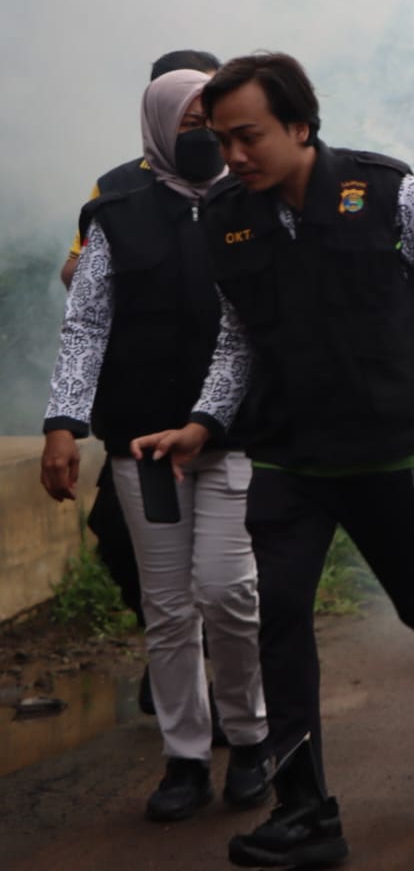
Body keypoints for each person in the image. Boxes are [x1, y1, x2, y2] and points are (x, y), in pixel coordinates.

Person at [131, 52, 414, 869]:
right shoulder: (225, 215)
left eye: (249, 137)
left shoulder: (384, 191)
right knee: (278, 620)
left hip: (388, 447)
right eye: (219, 139)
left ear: (301, 125)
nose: (233, 156)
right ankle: (306, 810)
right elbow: (239, 336)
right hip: (285, 456)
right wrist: (203, 423)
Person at [40, 68, 270, 822]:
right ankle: (183, 759)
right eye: (191, 120)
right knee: (169, 607)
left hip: (234, 434)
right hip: (141, 440)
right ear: (159, 123)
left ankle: (251, 738)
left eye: (216, 120)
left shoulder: (254, 199)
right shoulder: (116, 212)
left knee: (228, 592)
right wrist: (62, 425)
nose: (205, 135)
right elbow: (87, 324)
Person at [61, 49, 223, 718]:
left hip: (231, 409)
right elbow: (78, 285)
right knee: (121, 541)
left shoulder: (244, 178)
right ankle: (175, 658)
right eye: (187, 116)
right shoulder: (115, 191)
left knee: (233, 572)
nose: (202, 131)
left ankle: (234, 692)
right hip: (143, 406)